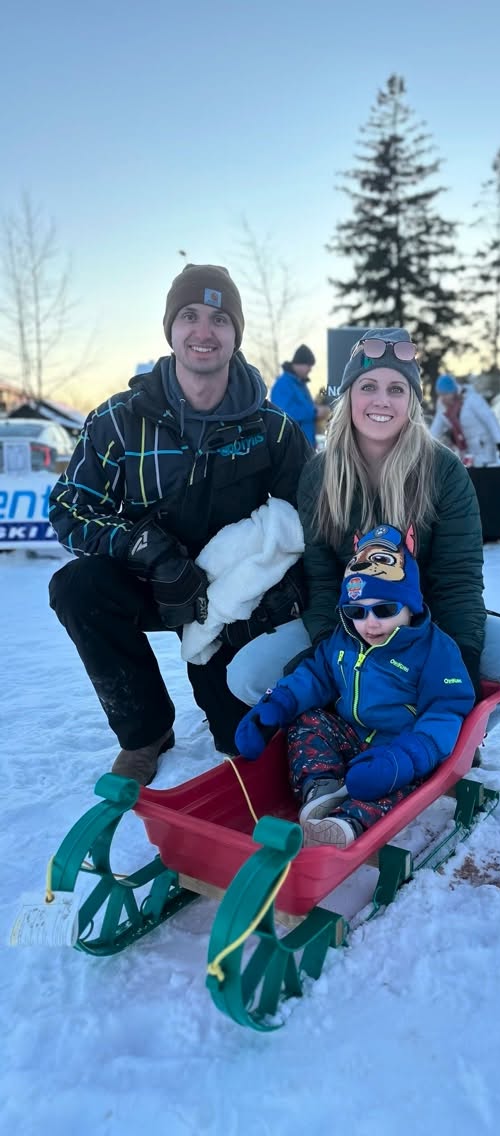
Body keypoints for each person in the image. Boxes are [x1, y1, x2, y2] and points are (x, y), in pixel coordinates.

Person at [48, 263, 312, 785]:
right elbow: (69, 508)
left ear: (236, 334)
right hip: (154, 584)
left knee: (241, 742)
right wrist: (147, 551)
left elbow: (309, 525)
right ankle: (144, 732)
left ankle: (234, 705)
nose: (203, 331)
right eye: (189, 316)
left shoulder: (273, 429)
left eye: (219, 319)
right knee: (77, 588)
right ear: (170, 328)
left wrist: (287, 597)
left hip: (231, 605)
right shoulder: (116, 421)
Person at [226, 327, 500, 734]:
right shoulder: (319, 475)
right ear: (348, 396)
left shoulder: (444, 471)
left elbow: (457, 580)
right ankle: (340, 733)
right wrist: (333, 654)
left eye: (397, 389)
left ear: (413, 402)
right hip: (352, 621)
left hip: (429, 626)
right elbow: (323, 578)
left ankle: (446, 740)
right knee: (246, 675)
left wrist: (459, 680)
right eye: (368, 386)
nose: (382, 400)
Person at [235, 525, 474, 847]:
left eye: (385, 609)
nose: (370, 623)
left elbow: (447, 710)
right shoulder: (345, 639)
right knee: (308, 721)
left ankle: (347, 823)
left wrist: (407, 757)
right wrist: (275, 705)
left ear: (410, 606)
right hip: (350, 734)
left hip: (399, 747)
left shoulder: (435, 650)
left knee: (404, 783)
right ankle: (321, 787)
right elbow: (316, 676)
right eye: (356, 612)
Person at [430, 374, 500, 467]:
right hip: (467, 450)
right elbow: (435, 430)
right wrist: (424, 447)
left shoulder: (471, 399)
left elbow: (490, 419)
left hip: (484, 446)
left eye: (446, 394)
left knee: (485, 476)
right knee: (470, 477)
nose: (443, 398)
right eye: (441, 394)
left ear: (453, 391)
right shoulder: (443, 408)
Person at [270, 345, 326, 448]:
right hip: (293, 448)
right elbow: (283, 413)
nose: (310, 369)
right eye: (308, 365)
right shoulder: (283, 384)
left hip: (306, 446)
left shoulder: (300, 384)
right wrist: (314, 412)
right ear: (300, 363)